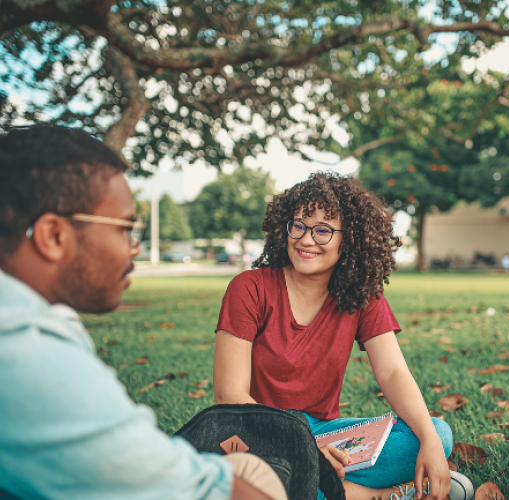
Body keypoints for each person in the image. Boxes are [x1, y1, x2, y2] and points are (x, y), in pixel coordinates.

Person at [0, 125, 286, 500]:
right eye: (125, 229)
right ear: (54, 236)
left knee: (247, 467)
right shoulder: (28, 354)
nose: (134, 248)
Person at [212, 172, 474, 500]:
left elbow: (392, 372)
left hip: (323, 435)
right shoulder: (249, 288)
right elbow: (229, 397)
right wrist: (303, 452)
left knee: (435, 432)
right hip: (257, 436)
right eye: (300, 225)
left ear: (347, 239)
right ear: (285, 228)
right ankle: (378, 496)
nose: (307, 240)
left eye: (323, 230)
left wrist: (432, 446)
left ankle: (318, 486)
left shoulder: (362, 295)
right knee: (251, 479)